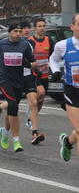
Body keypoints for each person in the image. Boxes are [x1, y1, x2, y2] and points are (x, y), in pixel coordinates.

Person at [0, 23, 37, 153]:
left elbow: (35, 63)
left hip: (19, 81)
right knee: (14, 106)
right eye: (15, 31)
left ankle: (5, 131)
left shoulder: (25, 45)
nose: (18, 34)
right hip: (5, 80)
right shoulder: (1, 44)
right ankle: (16, 141)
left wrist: (29, 65)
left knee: (11, 108)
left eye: (20, 31)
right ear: (9, 32)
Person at [50, 13, 79, 162]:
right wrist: (55, 71)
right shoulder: (62, 45)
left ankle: (67, 142)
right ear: (72, 27)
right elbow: (53, 59)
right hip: (72, 92)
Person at [26, 18, 54, 141]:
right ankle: (32, 111)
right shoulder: (30, 41)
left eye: (43, 26)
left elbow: (52, 57)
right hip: (33, 72)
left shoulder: (49, 40)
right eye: (39, 26)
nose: (42, 28)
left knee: (42, 98)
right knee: (40, 92)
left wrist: (54, 69)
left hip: (44, 73)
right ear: (34, 28)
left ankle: (32, 117)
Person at [20, 20, 46, 145]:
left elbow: (33, 60)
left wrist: (34, 67)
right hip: (14, 76)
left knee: (38, 98)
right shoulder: (8, 43)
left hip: (31, 73)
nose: (26, 30)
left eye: (27, 28)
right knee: (12, 104)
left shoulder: (31, 42)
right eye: (23, 28)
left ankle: (34, 130)